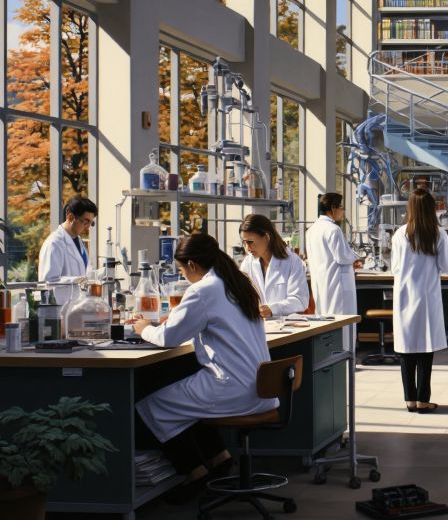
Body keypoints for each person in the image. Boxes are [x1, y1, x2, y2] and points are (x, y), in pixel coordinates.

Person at [133, 233, 274, 502]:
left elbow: (168, 338)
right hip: (260, 387)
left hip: (233, 389)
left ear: (193, 266)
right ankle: (220, 459)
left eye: (182, 270)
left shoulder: (202, 290)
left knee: (153, 407)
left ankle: (195, 474)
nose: (183, 275)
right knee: (185, 401)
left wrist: (143, 328)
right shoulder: (236, 283)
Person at [390, 188, 448, 413]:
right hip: (426, 297)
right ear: (431, 208)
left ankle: (410, 399)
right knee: (426, 350)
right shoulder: (438, 234)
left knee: (406, 350)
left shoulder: (400, 234)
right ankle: (423, 400)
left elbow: (395, 268)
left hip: (404, 296)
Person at [238, 214, 309, 319]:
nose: (247, 248)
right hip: (258, 326)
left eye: (250, 242)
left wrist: (272, 309)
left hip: (287, 327)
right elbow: (241, 296)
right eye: (244, 243)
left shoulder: (292, 261)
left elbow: (300, 300)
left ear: (267, 237)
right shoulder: (248, 263)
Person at [305, 192, 364, 316]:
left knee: (325, 321)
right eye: (341, 207)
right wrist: (357, 257)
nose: (342, 211)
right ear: (333, 208)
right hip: (337, 286)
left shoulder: (311, 230)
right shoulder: (333, 229)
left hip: (321, 284)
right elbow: (342, 257)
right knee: (342, 324)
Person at [38, 196, 97, 304]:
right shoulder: (54, 243)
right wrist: (76, 280)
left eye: (91, 223)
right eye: (86, 221)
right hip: (59, 309)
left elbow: (85, 272)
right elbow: (48, 281)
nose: (88, 227)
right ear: (70, 217)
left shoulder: (79, 241)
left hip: (76, 307)